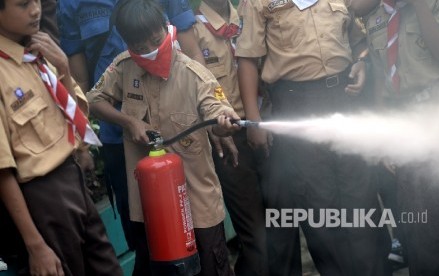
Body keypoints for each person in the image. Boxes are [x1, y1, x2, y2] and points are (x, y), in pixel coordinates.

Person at [235, 0, 392, 275]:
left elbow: (358, 41)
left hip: (344, 98)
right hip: (298, 106)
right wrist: (254, 120)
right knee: (319, 202)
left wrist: (362, 62)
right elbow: (247, 58)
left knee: (361, 192)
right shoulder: (257, 3)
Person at [86, 0, 240, 275]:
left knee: (210, 267)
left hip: (197, 205)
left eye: (156, 41)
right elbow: (94, 100)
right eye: (141, 48)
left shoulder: (194, 75)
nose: (151, 51)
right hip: (150, 207)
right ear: (128, 44)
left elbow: (217, 110)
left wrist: (223, 124)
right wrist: (129, 120)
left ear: (165, 28)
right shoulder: (123, 68)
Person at [57, 0, 210, 259]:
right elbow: (82, 86)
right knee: (143, 231)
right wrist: (87, 137)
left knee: (195, 221)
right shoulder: (70, 4)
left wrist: (209, 116)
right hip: (121, 141)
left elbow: (194, 56)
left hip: (180, 130)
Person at [0, 0, 122, 275]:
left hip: (74, 180)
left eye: (36, 1)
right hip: (43, 197)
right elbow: (3, 171)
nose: (35, 10)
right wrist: (36, 246)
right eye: (22, 5)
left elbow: (78, 119)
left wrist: (64, 69)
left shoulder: (38, 50)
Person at [354, 0, 439, 275]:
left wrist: (419, 5)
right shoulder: (378, 17)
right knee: (424, 240)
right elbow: (382, 83)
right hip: (407, 131)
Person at [192, 0, 269, 275]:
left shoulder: (249, 17)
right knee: (255, 233)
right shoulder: (192, 32)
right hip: (231, 142)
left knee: (282, 225)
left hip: (266, 128)